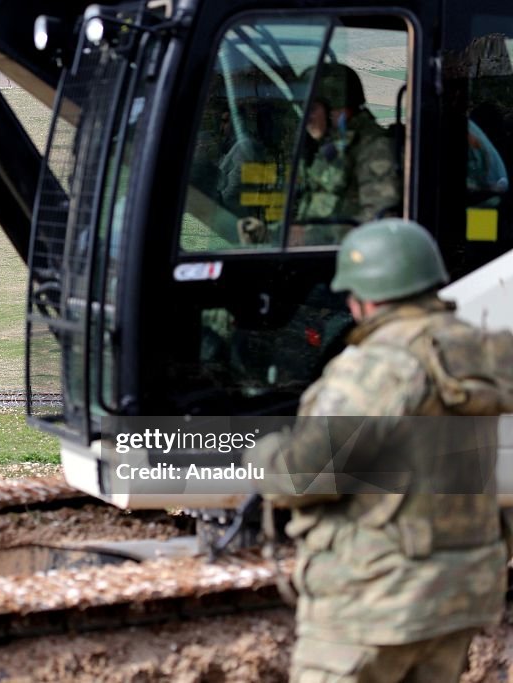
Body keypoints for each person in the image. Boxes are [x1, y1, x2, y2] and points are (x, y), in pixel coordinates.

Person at [244, 219, 511, 683]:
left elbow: (302, 477)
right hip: (460, 593)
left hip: (375, 601)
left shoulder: (378, 366)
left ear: (364, 299)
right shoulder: (478, 349)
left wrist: (261, 455)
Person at [239, 64, 401, 247]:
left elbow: (381, 226)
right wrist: (268, 234)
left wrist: (308, 237)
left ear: (338, 110)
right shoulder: (331, 149)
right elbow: (311, 218)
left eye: (312, 109)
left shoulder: (374, 148)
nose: (306, 117)